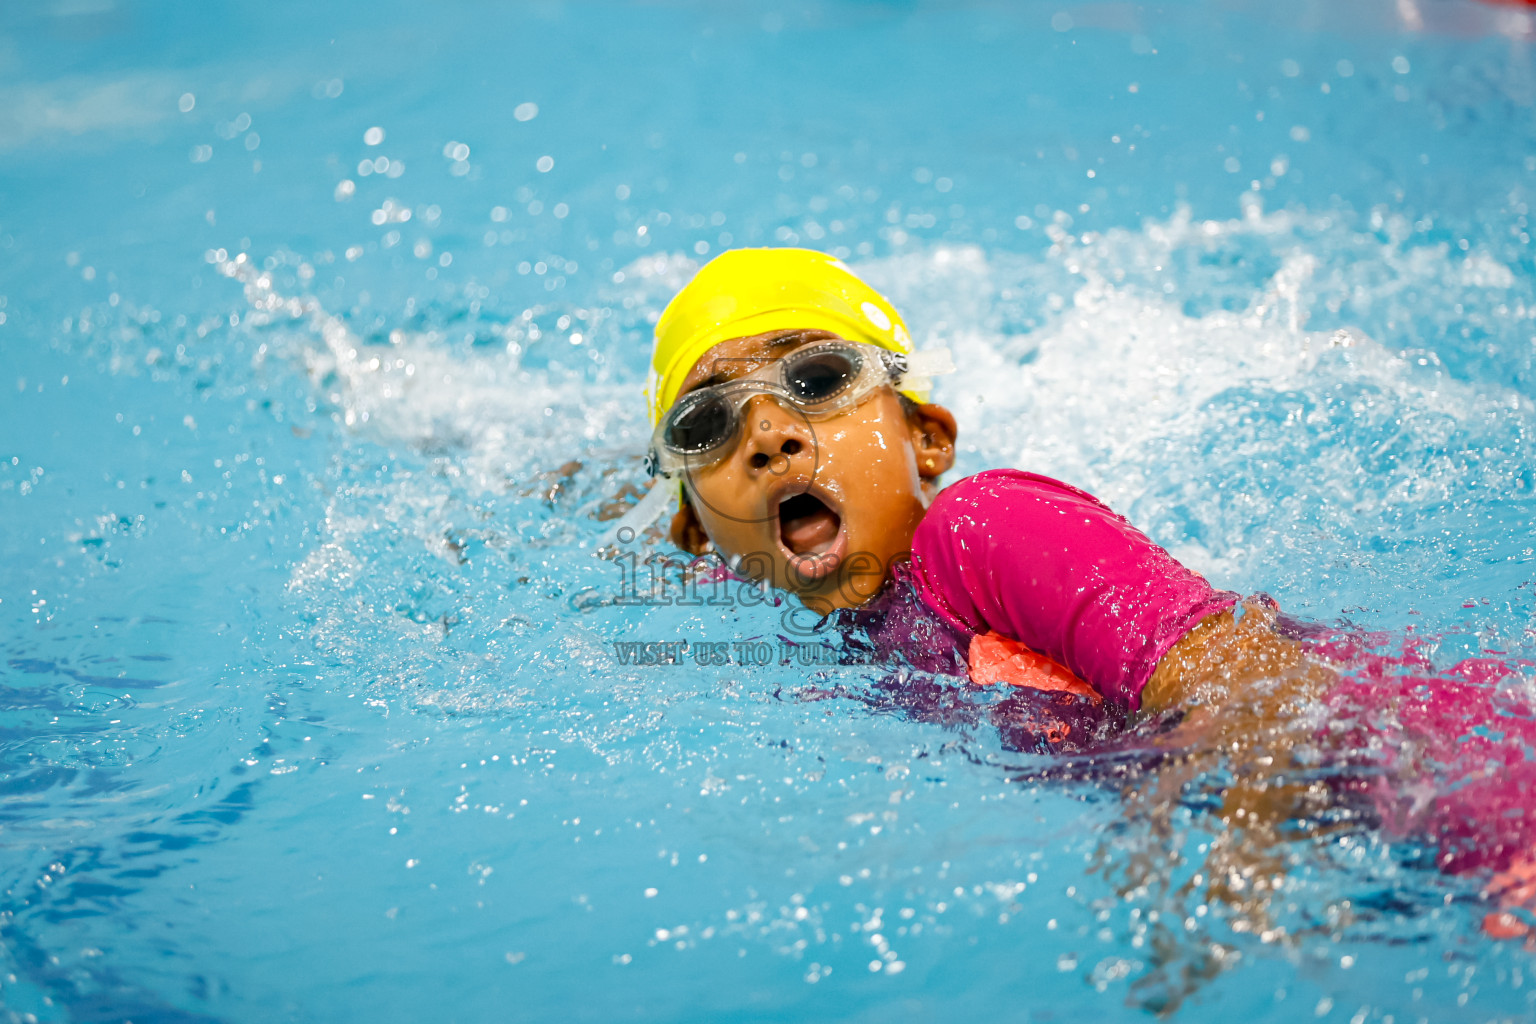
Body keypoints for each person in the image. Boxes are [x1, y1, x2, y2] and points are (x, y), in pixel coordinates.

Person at [622, 246, 1536, 941]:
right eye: (709, 422)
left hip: (1467, 789)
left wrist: (1240, 848)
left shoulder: (980, 530)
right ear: (699, 529)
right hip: (1396, 857)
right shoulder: (776, 605)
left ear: (927, 441)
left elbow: (1260, 683)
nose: (773, 433)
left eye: (817, 381)